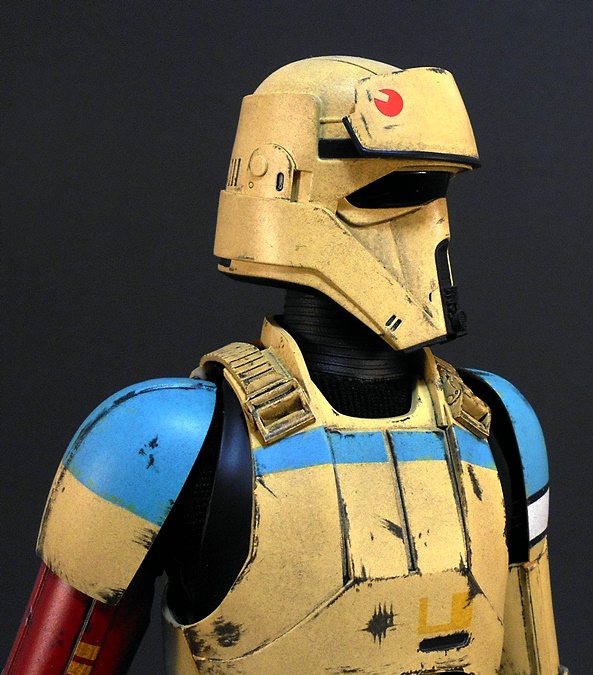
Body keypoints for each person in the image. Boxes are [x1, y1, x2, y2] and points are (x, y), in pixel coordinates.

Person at [4, 56, 567, 675]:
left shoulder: (499, 425)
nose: (431, 220)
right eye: (396, 192)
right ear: (282, 187)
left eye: (440, 191)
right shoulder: (166, 445)